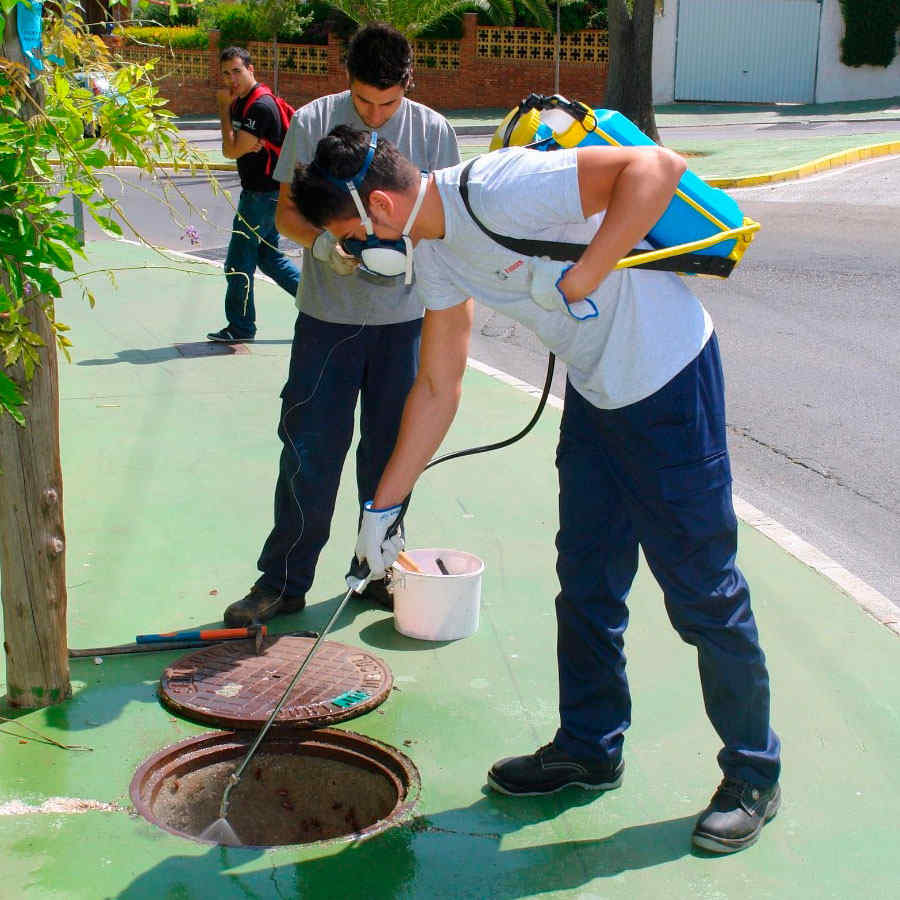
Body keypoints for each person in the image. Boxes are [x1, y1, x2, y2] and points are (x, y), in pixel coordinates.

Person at [289, 127, 782, 855]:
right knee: (585, 581)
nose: (354, 252)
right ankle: (590, 745)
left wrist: (585, 274)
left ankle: (753, 772)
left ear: (382, 205)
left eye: (349, 237)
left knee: (702, 590)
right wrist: (382, 510)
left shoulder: (499, 188)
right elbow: (437, 385)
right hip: (595, 393)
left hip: (669, 380)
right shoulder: (437, 258)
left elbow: (657, 167)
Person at [222, 25, 460, 624]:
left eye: (388, 102)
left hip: (405, 324)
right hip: (327, 321)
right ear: (345, 82)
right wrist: (327, 243)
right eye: (363, 101)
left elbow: (447, 226)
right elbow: (286, 216)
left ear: (408, 83)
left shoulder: (433, 131)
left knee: (390, 452)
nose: (376, 115)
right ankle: (282, 580)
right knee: (309, 449)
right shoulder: (312, 121)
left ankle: (379, 569)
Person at [207, 46, 300, 344]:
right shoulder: (243, 103)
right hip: (266, 193)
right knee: (269, 258)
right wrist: (238, 138)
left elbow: (230, 149)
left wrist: (223, 110)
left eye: (236, 71)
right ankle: (323, 305)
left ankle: (241, 327)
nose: (231, 78)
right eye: (225, 73)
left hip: (262, 195)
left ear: (251, 70)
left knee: (237, 263)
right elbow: (236, 146)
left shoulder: (259, 107)